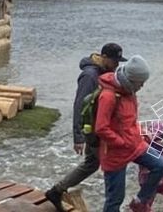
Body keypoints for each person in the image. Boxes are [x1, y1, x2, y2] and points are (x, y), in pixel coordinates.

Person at [45, 43, 127, 211]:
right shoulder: (89, 76)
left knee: (92, 163)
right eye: (114, 61)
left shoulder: (104, 72)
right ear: (103, 57)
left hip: (99, 128)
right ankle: (111, 204)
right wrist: (78, 137)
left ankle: (57, 191)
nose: (117, 65)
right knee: (106, 163)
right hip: (93, 131)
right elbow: (79, 105)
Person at [95, 55, 163, 212]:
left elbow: (130, 120)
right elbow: (101, 128)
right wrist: (121, 142)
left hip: (135, 145)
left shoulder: (129, 91)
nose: (142, 86)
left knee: (161, 165)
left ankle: (139, 201)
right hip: (115, 153)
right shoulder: (108, 96)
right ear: (131, 79)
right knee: (115, 200)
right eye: (141, 82)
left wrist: (141, 134)